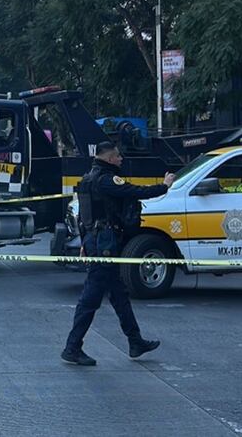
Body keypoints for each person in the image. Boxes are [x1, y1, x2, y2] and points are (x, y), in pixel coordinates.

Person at [61, 141, 174, 367]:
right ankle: (72, 347)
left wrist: (85, 241)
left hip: (97, 240)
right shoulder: (106, 179)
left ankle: (135, 341)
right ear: (110, 158)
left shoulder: (87, 179)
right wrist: (164, 186)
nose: (121, 160)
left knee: (119, 294)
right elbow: (134, 191)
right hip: (105, 242)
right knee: (91, 297)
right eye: (118, 157)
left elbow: (85, 216)